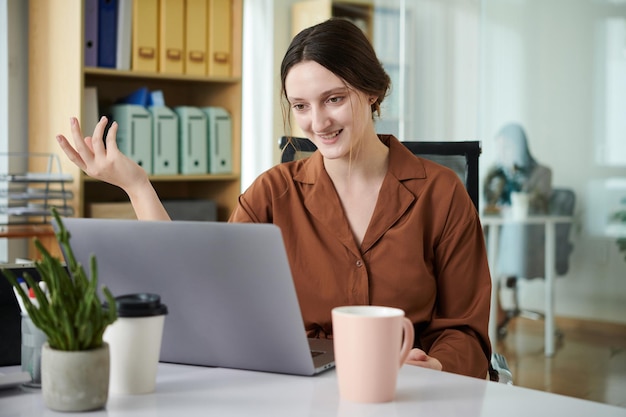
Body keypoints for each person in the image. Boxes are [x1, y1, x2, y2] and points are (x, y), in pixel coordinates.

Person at [56, 19, 492, 379]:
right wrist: (137, 186)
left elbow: (466, 331)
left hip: (406, 387)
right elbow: (200, 288)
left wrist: (436, 363)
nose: (317, 121)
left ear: (372, 91)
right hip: (297, 388)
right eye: (300, 106)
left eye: (334, 99)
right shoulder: (272, 194)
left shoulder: (441, 193)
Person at [483, 123, 553, 335]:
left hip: (528, 243)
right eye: (499, 149)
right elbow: (489, 202)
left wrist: (515, 201)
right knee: (475, 252)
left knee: (485, 260)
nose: (502, 153)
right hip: (498, 237)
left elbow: (538, 206)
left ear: (520, 147)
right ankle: (497, 313)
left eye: (507, 148)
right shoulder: (498, 174)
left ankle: (497, 316)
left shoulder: (542, 173)